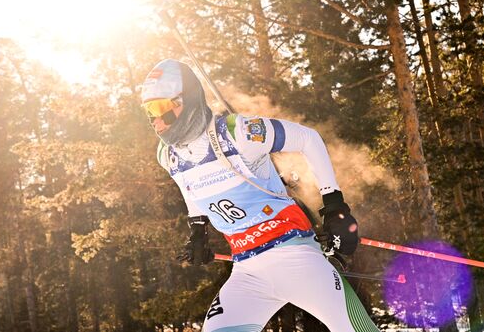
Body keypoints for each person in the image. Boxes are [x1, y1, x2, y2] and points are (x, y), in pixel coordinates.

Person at [141, 59, 380, 332]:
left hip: (297, 258)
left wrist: (335, 206)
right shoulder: (167, 155)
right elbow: (188, 184)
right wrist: (198, 227)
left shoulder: (237, 132)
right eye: (148, 110)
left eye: (161, 107)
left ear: (188, 100)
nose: (156, 119)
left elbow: (308, 139)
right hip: (247, 271)